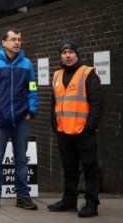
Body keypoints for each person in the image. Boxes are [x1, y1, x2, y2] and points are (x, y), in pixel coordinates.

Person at [0, 28, 38, 210]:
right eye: (13, 39)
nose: (17, 42)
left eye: (19, 39)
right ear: (4, 42)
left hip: (21, 120)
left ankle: (23, 197)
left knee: (21, 160)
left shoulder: (27, 64)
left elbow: (32, 89)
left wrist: (32, 110)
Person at [48, 41, 102, 218]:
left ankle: (92, 204)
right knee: (69, 168)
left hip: (83, 132)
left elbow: (96, 104)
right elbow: (54, 102)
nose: (67, 55)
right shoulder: (57, 75)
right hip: (64, 132)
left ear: (77, 54)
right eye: (64, 52)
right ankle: (69, 201)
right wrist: (54, 125)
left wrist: (89, 128)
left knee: (89, 168)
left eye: (71, 52)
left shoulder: (88, 74)